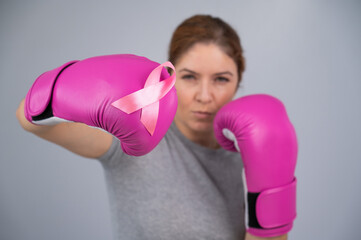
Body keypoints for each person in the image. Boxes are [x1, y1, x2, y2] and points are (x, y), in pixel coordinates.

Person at [16, 15, 295, 240]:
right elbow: (30, 120)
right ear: (169, 77)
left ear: (238, 82)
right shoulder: (138, 137)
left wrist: (270, 201)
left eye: (221, 79)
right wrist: (61, 88)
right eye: (189, 77)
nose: (205, 95)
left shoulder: (251, 150)